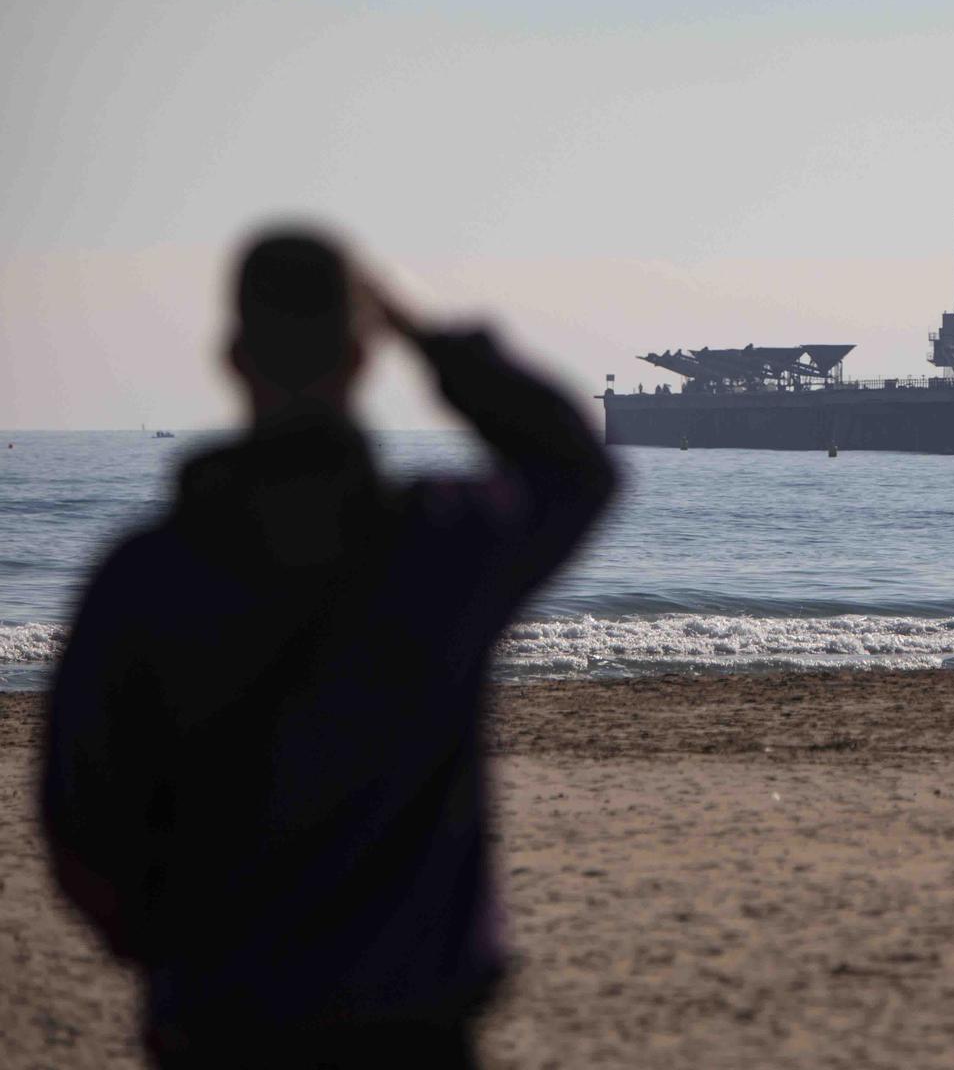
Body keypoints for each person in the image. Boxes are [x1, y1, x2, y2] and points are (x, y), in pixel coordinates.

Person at [40, 228, 616, 1068]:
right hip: (411, 1025)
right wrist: (430, 335)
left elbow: (79, 825)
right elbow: (575, 468)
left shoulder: (144, 575)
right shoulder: (442, 547)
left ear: (232, 356)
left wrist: (176, 954)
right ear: (362, 357)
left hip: (219, 1020)